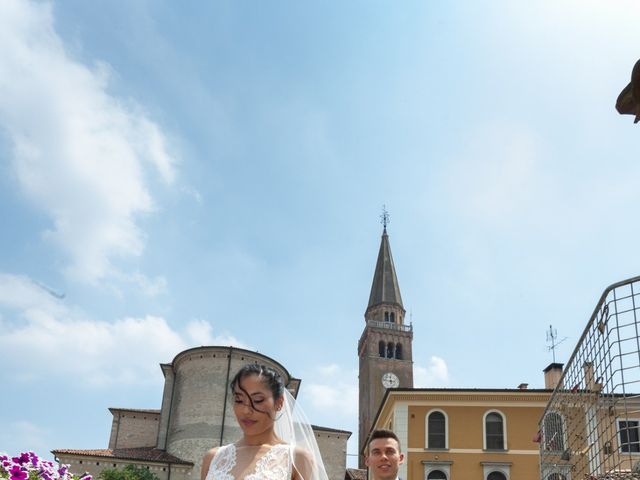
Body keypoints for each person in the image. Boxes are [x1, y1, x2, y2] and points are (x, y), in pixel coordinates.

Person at [201, 363, 328, 480]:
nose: (246, 410)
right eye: (239, 400)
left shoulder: (297, 459)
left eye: (257, 400)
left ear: (279, 403)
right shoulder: (213, 458)